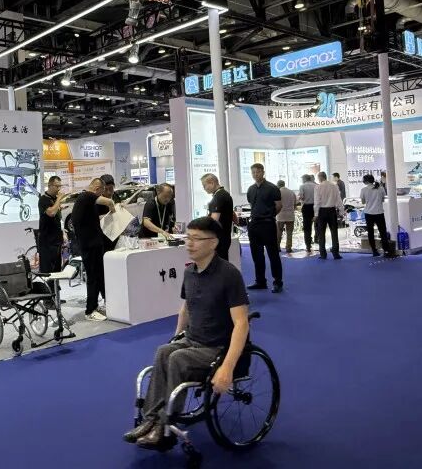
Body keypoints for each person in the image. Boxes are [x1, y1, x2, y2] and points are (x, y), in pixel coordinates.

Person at [123, 217, 249, 449]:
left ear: (213, 242)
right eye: (188, 238)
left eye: (196, 239)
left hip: (217, 346)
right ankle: (152, 420)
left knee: (177, 359)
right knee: (164, 351)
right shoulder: (190, 272)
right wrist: (176, 336)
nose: (189, 243)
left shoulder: (229, 275)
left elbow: (241, 323)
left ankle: (165, 426)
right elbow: (186, 308)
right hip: (193, 339)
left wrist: (228, 367)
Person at [71, 178, 115, 321]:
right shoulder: (87, 196)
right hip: (90, 245)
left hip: (93, 244)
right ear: (97, 189)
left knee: (100, 275)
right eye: (102, 191)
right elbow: (109, 202)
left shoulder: (85, 201)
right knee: (93, 277)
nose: (102, 194)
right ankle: (90, 310)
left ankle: (103, 303)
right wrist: (113, 208)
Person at [245, 164, 283, 293]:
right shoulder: (251, 189)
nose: (255, 174)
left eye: (258, 172)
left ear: (263, 172)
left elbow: (279, 205)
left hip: (268, 224)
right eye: (253, 172)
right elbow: (253, 205)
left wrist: (269, 215)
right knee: (257, 255)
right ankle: (260, 281)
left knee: (273, 254)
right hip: (254, 225)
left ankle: (277, 282)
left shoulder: (272, 188)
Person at [200, 174, 234, 260]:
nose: (204, 188)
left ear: (212, 183)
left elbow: (214, 221)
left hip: (219, 238)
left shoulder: (219, 196)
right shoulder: (224, 194)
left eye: (204, 185)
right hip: (224, 237)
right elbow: (234, 216)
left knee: (218, 264)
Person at [37, 176, 66, 274]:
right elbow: (51, 213)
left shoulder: (55, 200)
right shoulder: (43, 199)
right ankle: (48, 285)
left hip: (57, 241)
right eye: (57, 186)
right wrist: (59, 199)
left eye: (60, 186)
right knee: (48, 271)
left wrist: (63, 233)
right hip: (47, 242)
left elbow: (58, 219)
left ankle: (56, 284)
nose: (59, 189)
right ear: (49, 185)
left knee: (57, 270)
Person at [360, 175, 393, 257]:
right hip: (379, 213)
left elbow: (363, 202)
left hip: (368, 213)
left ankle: (374, 250)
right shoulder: (380, 188)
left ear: (366, 181)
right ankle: (386, 250)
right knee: (383, 232)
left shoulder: (363, 190)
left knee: (370, 232)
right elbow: (383, 199)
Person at [314, 171, 342, 260]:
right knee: (334, 232)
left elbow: (317, 202)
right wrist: (341, 212)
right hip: (332, 210)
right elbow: (338, 200)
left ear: (320, 177)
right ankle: (336, 253)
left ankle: (323, 254)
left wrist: (316, 214)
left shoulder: (318, 187)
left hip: (322, 211)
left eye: (318, 178)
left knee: (321, 233)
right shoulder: (334, 186)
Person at [99, 174, 119, 253]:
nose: (108, 192)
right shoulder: (97, 201)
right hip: (102, 239)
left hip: (116, 235)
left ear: (114, 186)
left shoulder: (116, 196)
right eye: (105, 189)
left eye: (111, 189)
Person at [276, 180, 297, 254]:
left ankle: (277, 247)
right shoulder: (291, 192)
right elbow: (295, 204)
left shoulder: (278, 192)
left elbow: (276, 204)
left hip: (280, 215)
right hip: (290, 215)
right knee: (289, 233)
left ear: (278, 185)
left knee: (279, 232)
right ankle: (288, 248)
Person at [298, 174, 316, 253]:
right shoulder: (316, 186)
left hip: (306, 207)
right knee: (318, 226)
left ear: (304, 179)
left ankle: (308, 245)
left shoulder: (302, 186)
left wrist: (299, 198)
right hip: (315, 206)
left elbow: (301, 197)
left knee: (307, 227)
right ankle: (319, 241)